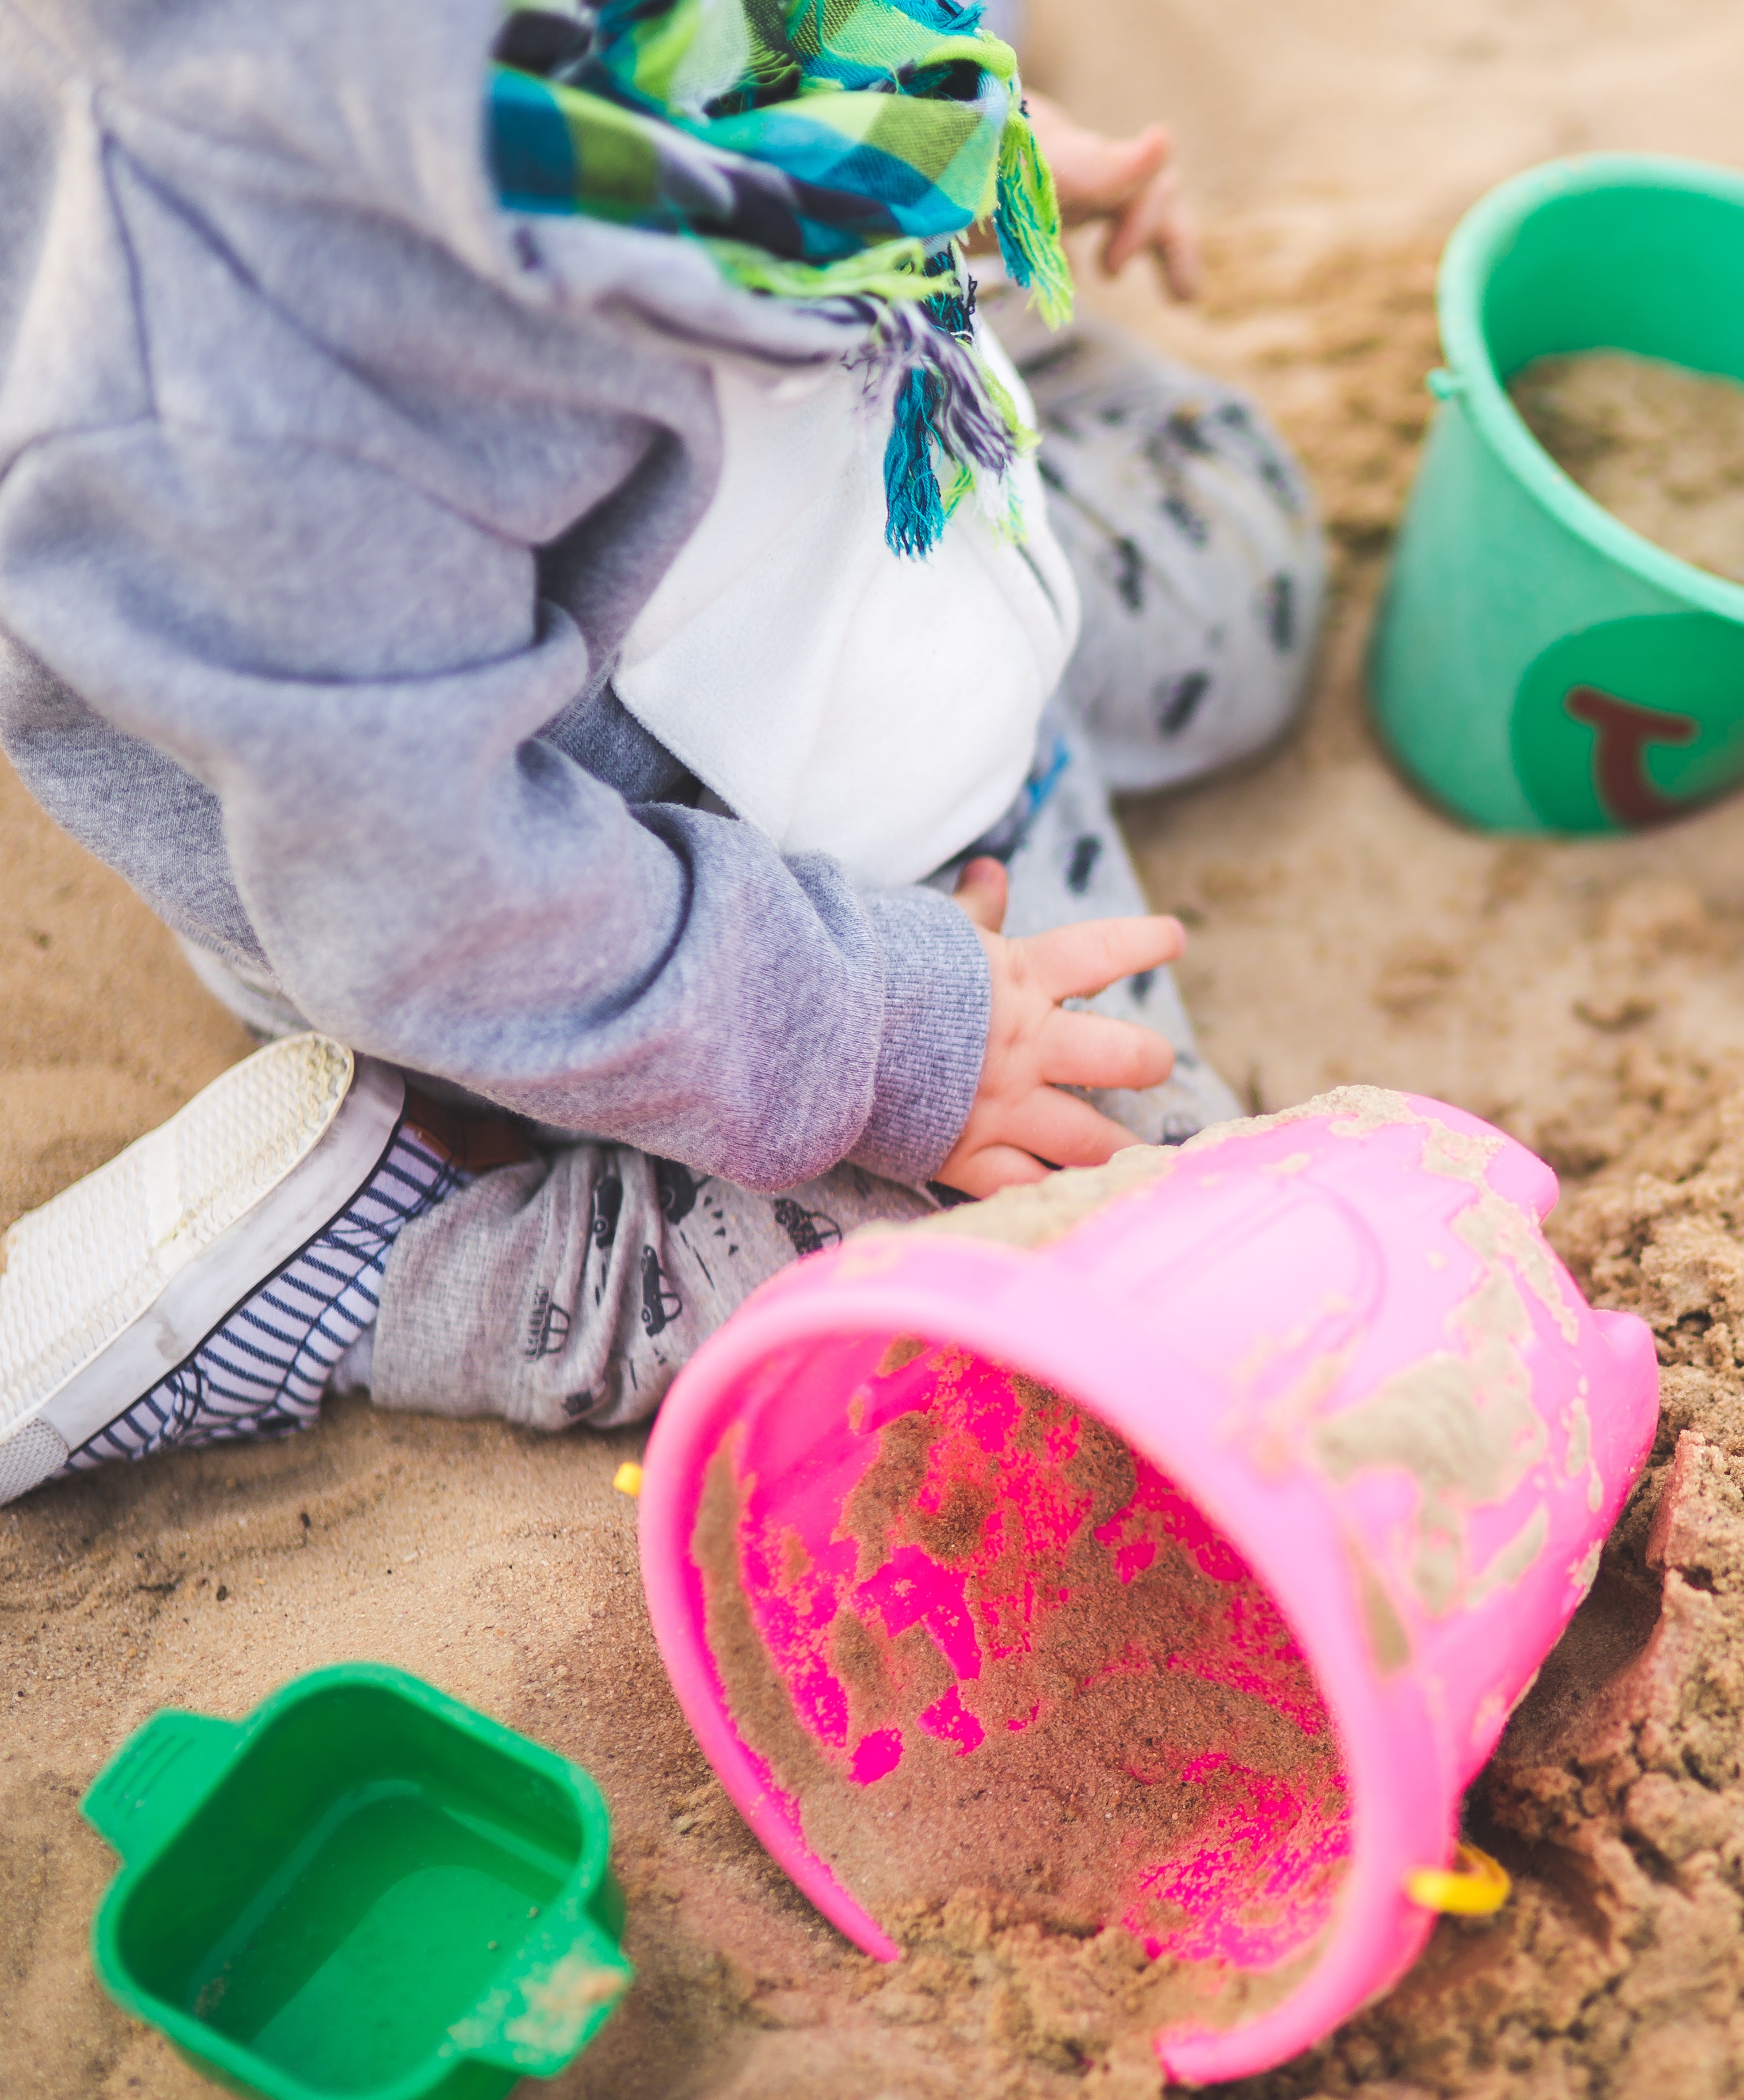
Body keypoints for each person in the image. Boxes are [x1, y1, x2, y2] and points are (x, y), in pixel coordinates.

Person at [0, 0, 1323, 1503]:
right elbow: (441, 909)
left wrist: (938, 160)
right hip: (662, 899)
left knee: (1256, 563)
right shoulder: (233, 369)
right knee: (1128, 1224)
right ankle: (402, 1256)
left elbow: (766, 58)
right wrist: (891, 1039)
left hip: (858, 545)